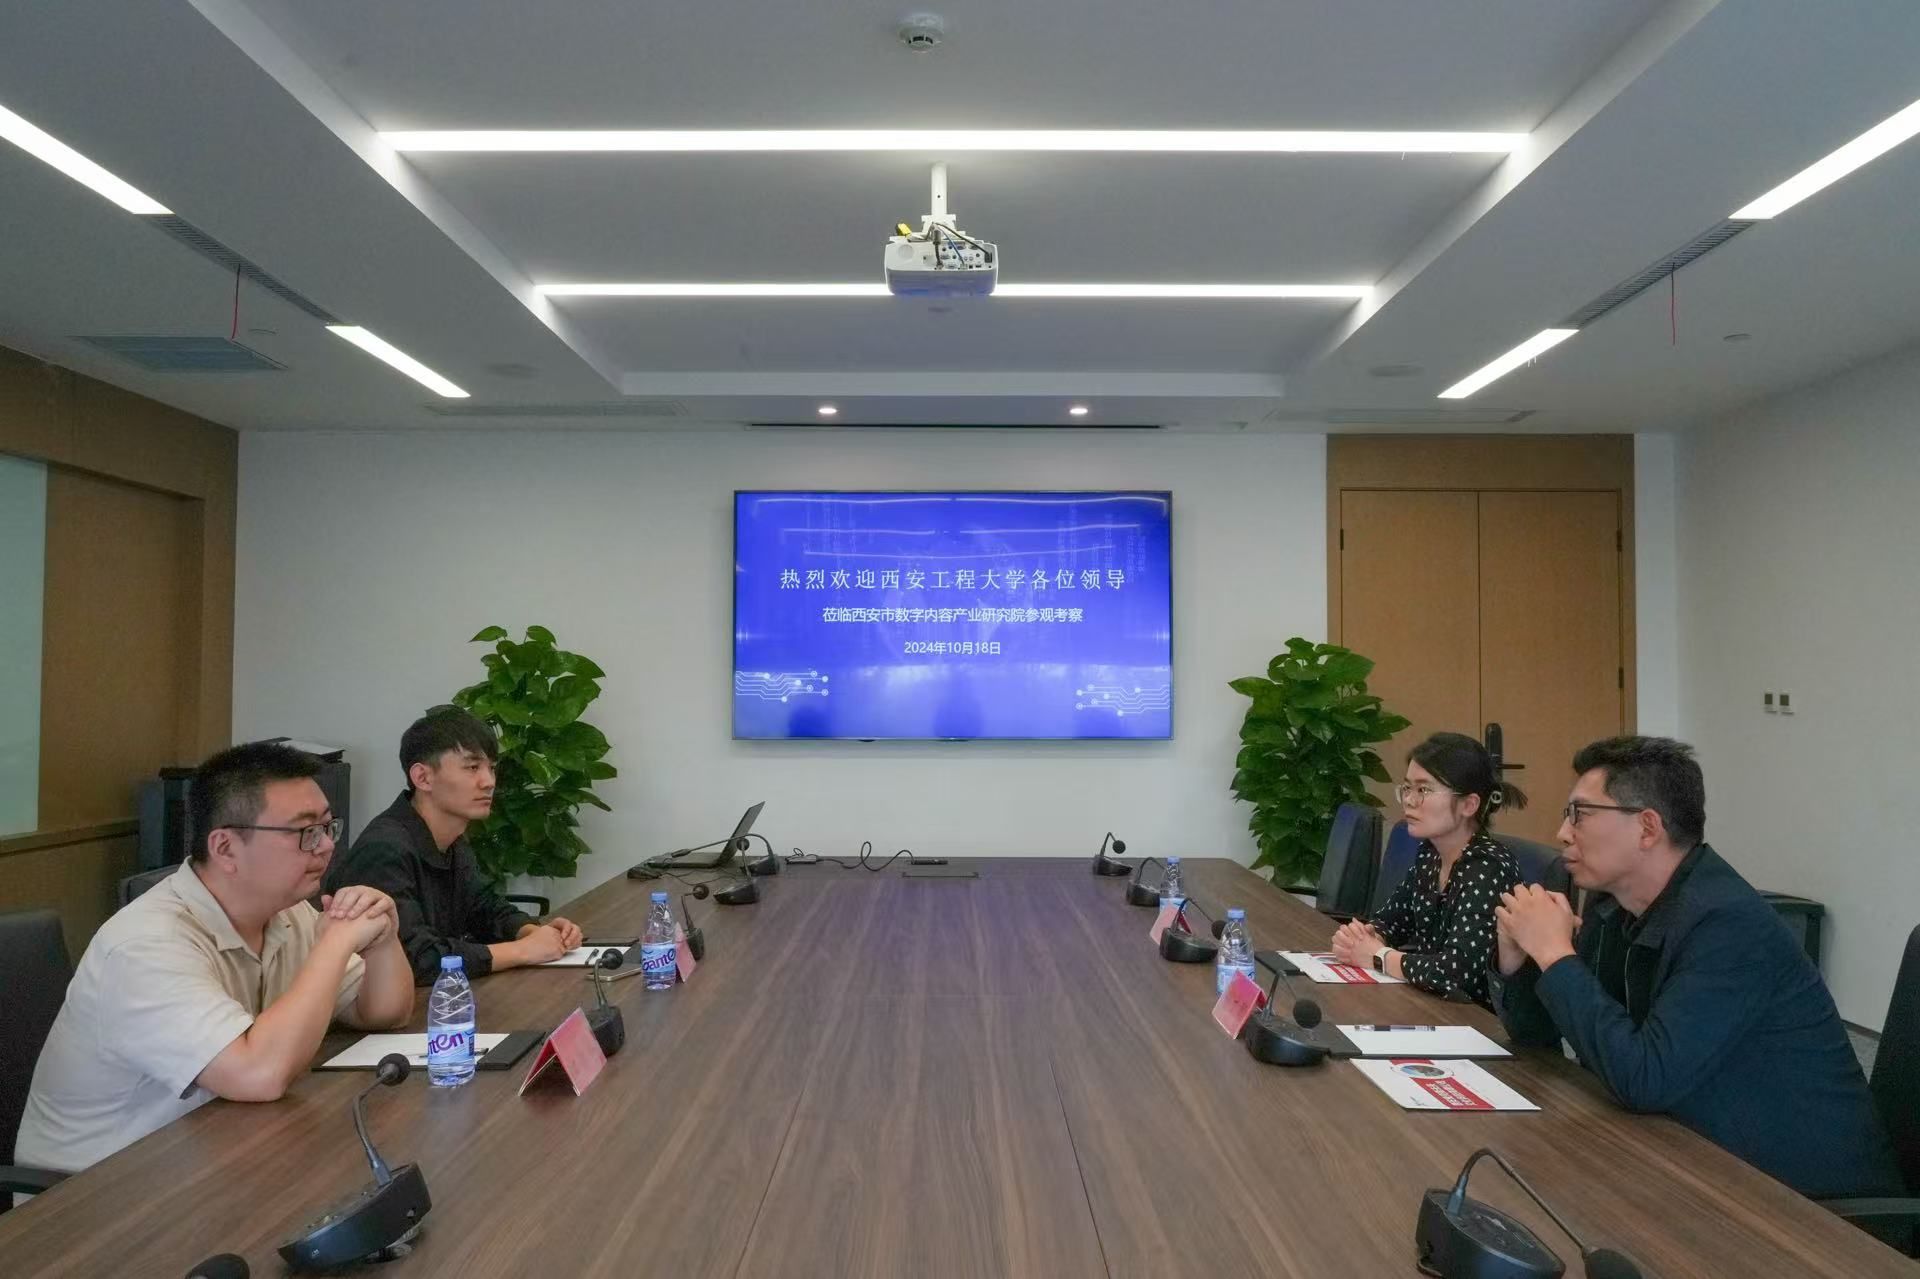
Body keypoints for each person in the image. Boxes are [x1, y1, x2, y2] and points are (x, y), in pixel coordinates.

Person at [1492, 735, 1900, 1199]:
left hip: (1804, 1204)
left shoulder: (1731, 926)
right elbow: (1541, 1039)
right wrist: (1518, 961)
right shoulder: (1614, 906)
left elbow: (1644, 1079)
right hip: (1689, 1156)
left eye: (1580, 814)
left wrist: (1555, 955)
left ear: (1647, 828)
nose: (1562, 833)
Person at [15, 742, 413, 1183]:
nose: (325, 846)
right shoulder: (143, 945)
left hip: (211, 1156)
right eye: (305, 832)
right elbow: (259, 1074)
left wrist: (382, 939)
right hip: (95, 1194)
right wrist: (335, 946)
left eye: (327, 827)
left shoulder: (286, 913)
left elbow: (384, 1012)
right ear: (225, 847)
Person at [324, 705, 582, 985]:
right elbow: (416, 960)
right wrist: (522, 951)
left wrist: (532, 932)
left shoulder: (452, 839)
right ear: (422, 777)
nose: (489, 782)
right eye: (472, 767)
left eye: (491, 768)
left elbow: (484, 907)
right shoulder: (384, 850)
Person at [1329, 732, 1525, 1003]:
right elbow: (1391, 921)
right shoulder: (1430, 853)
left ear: (1469, 804)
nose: (1409, 800)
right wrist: (1362, 937)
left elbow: (1456, 973)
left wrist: (1378, 956)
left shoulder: (1488, 867)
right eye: (1407, 788)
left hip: (1474, 1018)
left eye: (1423, 790)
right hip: (1431, 1003)